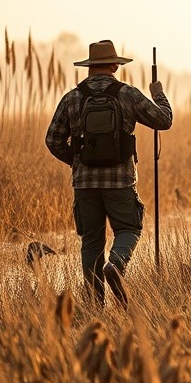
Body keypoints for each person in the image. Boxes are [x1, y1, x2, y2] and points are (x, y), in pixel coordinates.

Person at [46, 40, 172, 308]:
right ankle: (116, 264)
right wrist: (158, 93)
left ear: (89, 67)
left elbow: (53, 140)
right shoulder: (127, 94)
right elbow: (164, 121)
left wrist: (77, 162)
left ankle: (95, 305)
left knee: (91, 241)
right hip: (120, 181)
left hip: (84, 184)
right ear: (115, 65)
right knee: (128, 228)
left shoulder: (72, 98)